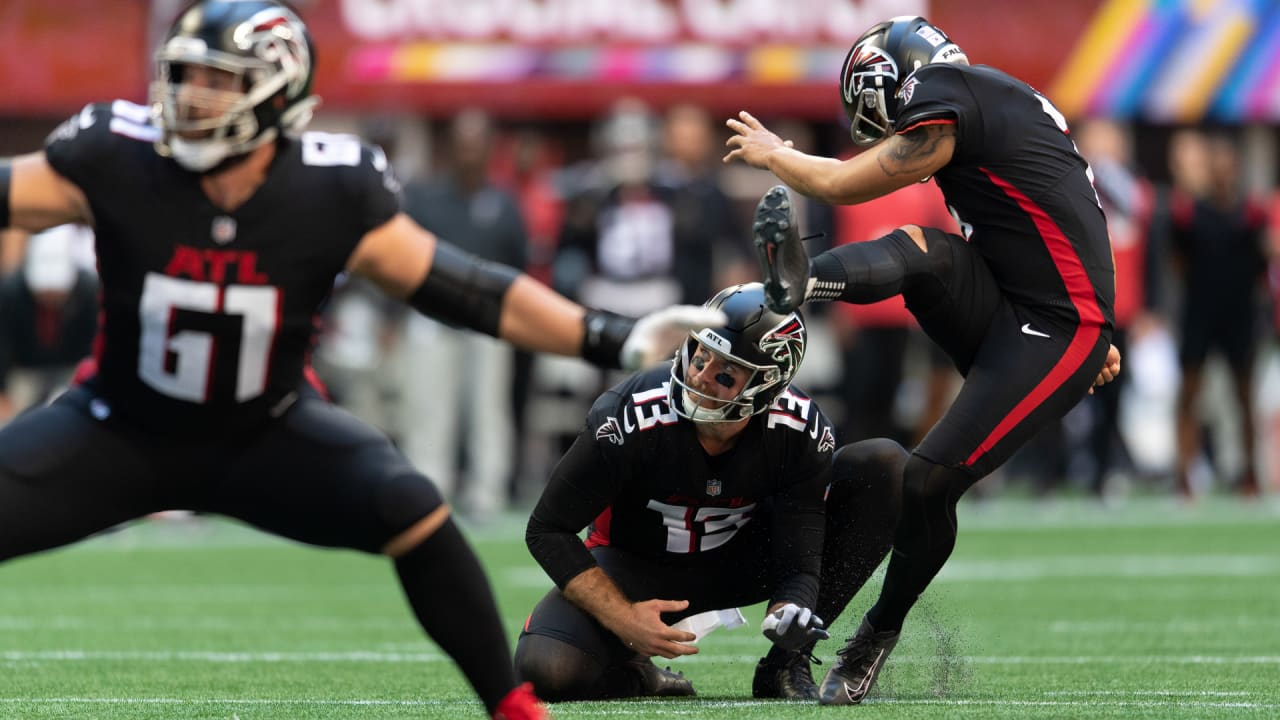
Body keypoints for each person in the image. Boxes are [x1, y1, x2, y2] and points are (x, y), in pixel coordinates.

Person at [0, 2, 724, 719]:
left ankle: (510, 707)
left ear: (276, 94)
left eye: (216, 80)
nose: (190, 96)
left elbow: (466, 290)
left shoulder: (330, 185)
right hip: (119, 426)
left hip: (267, 431)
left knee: (417, 514)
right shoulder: (116, 155)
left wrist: (613, 337)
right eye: (184, 75)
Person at [724, 16, 1121, 704]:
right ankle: (800, 281)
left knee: (929, 479)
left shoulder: (948, 91)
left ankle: (877, 631)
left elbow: (849, 185)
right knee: (922, 248)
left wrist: (776, 154)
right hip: (1025, 305)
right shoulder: (988, 97)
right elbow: (1054, 212)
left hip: (1059, 325)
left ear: (886, 76)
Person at [514, 281, 907, 702]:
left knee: (883, 467)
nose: (699, 375)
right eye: (701, 355)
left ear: (766, 387)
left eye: (724, 373)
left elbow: (799, 560)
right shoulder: (630, 413)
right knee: (545, 669)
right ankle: (636, 673)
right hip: (637, 565)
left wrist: (788, 612)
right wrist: (624, 618)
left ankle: (785, 665)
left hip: (740, 563)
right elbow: (547, 529)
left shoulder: (799, 431)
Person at [0, 224, 99, 421]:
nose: (51, 299)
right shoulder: (9, 293)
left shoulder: (89, 291)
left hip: (71, 367)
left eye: (58, 294)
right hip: (24, 370)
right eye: (44, 293)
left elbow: (93, 346)